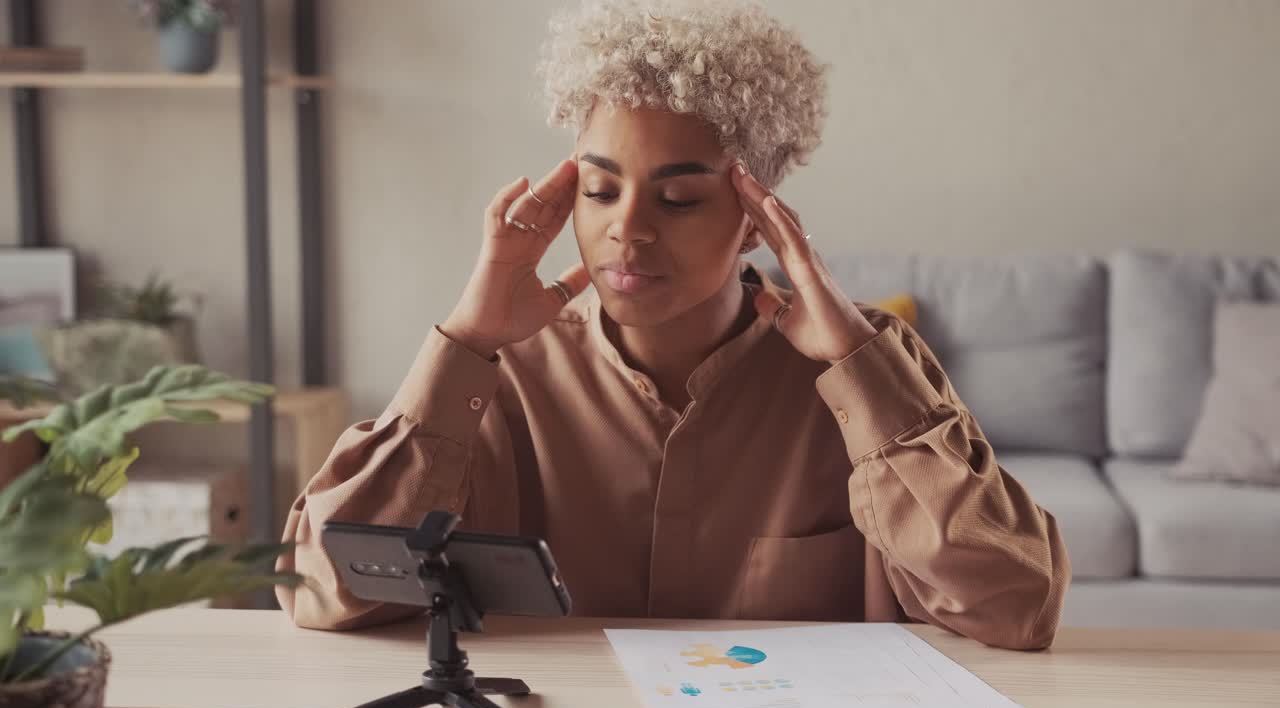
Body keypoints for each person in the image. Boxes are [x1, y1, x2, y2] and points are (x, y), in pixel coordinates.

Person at [276, 0, 1070, 650]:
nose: (630, 229)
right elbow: (320, 589)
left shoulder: (865, 369)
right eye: (598, 190)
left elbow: (1015, 605)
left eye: (679, 198)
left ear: (756, 217)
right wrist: (465, 341)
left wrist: (861, 370)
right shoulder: (497, 373)